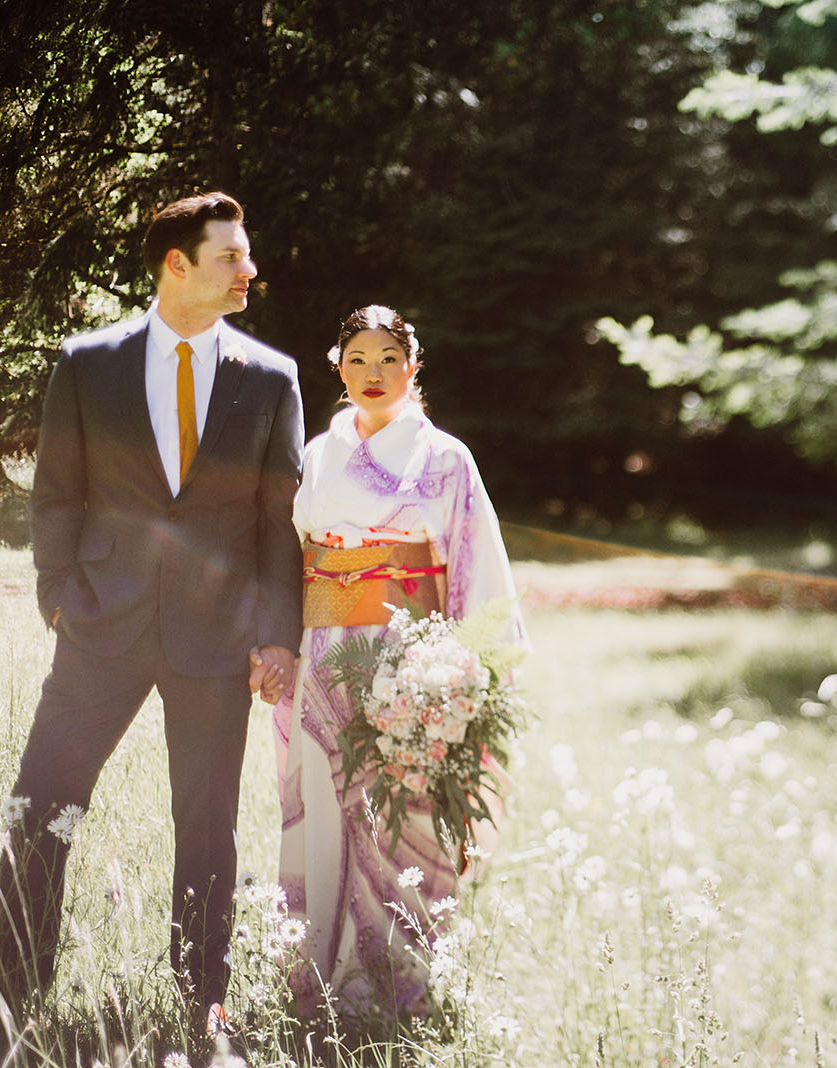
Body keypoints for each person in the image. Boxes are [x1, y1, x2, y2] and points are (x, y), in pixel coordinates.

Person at [0, 192, 305, 1046]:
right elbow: (57, 493)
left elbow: (279, 523)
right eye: (230, 256)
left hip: (218, 641)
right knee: (42, 802)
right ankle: (11, 989)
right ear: (178, 265)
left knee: (207, 824)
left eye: (245, 254)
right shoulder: (88, 363)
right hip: (100, 627)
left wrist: (277, 633)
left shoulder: (272, 378)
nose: (248, 270)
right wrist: (58, 593)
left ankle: (203, 998)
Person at [272, 304, 525, 1016]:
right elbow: (293, 556)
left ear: (413, 367)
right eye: (357, 359)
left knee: (401, 812)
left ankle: (397, 981)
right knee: (325, 807)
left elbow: (475, 565)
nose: (373, 374)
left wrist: (462, 670)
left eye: (388, 359)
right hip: (325, 655)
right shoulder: (318, 453)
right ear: (337, 367)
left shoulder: (446, 458)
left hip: (406, 662)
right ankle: (319, 978)